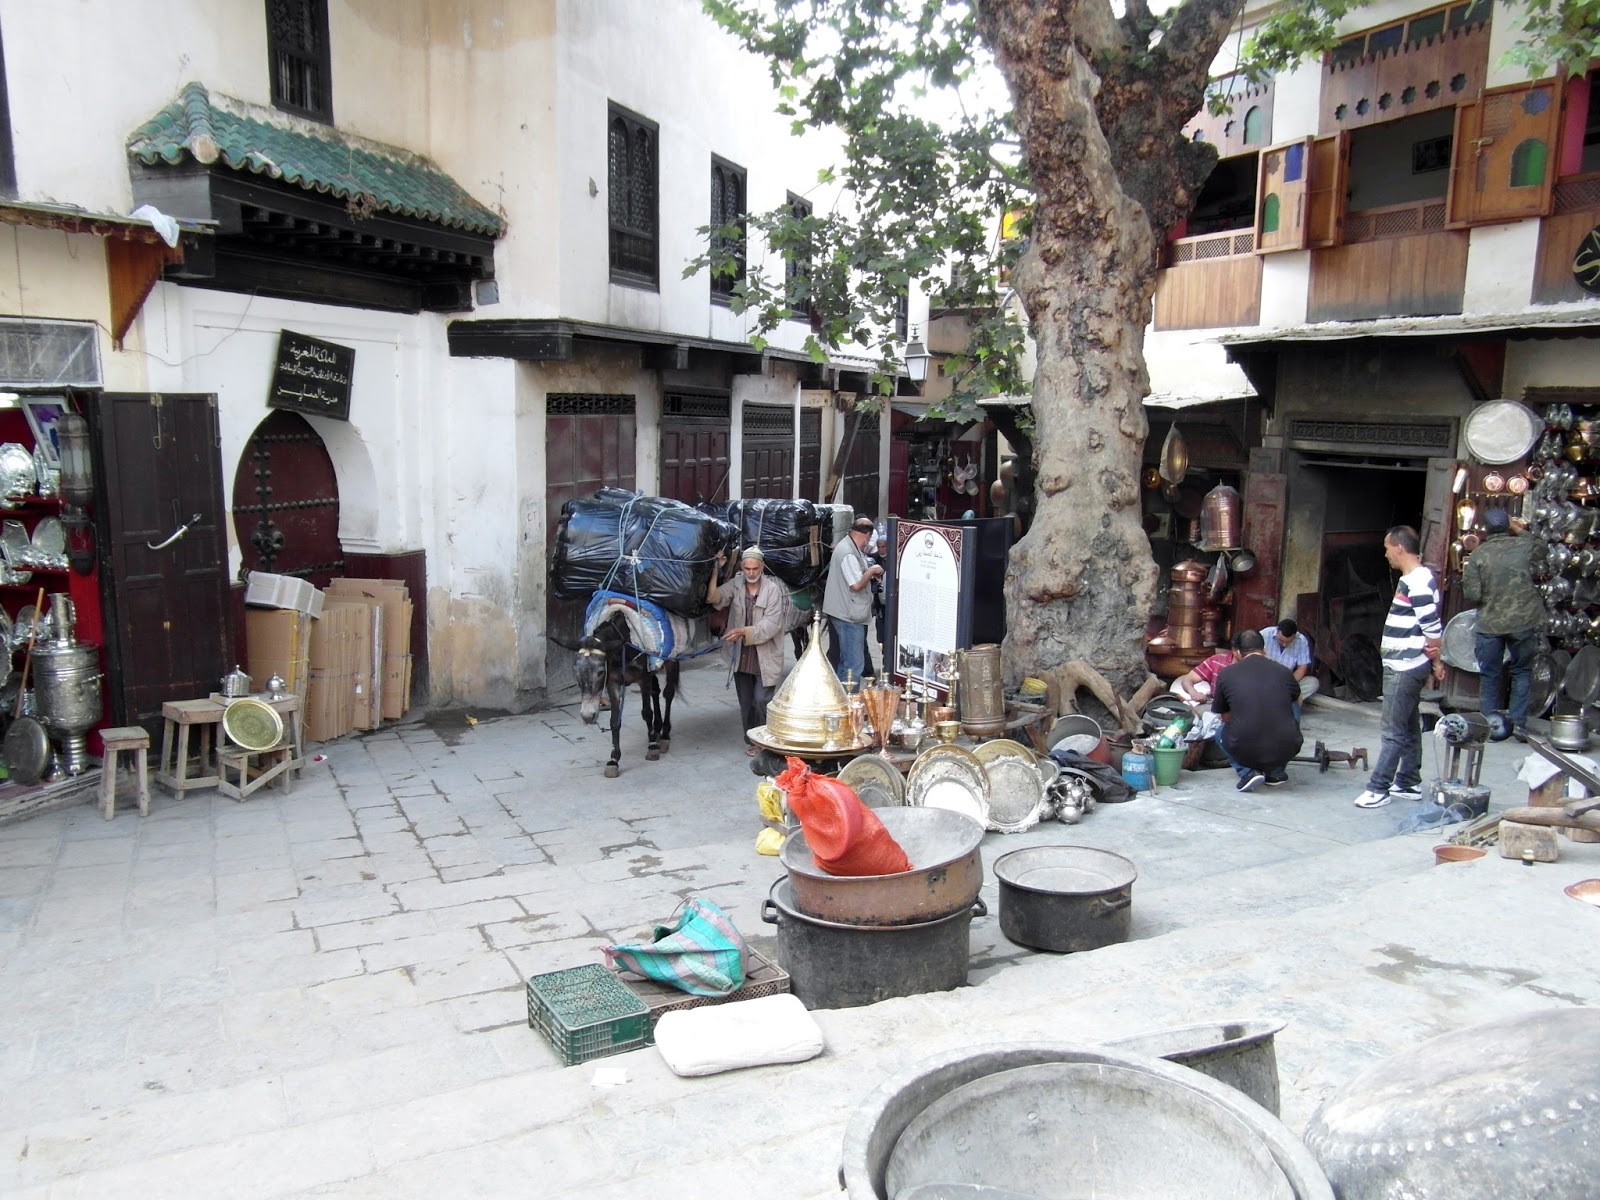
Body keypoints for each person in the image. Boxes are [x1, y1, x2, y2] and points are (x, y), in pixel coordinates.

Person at [1355, 525, 1444, 808]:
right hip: (1405, 663)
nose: (1385, 554)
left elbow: (1432, 628)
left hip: (1405, 666)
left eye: (1387, 548)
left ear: (1399, 548)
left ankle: (1378, 788)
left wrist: (1436, 659)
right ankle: (1408, 782)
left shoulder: (1418, 582)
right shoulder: (1414, 579)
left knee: (1392, 731)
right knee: (1408, 725)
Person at [1461, 507, 1543, 742]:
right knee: (1522, 671)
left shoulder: (1478, 554)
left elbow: (1473, 595)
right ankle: (1518, 726)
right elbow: (1543, 549)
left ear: (1486, 529)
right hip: (1523, 621)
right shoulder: (1524, 545)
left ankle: (1491, 727)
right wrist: (1519, 529)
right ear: (1508, 525)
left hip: (1490, 624)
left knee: (1490, 675)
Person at [707, 547, 791, 757]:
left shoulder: (772, 590)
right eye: (747, 569)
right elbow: (714, 598)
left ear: (761, 567)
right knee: (746, 703)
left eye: (755, 569)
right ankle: (754, 740)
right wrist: (715, 571)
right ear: (742, 568)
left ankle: (766, 739)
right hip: (742, 655)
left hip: (765, 655)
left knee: (762, 699)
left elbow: (771, 624)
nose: (751, 573)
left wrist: (743, 631)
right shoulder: (736, 584)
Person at [1211, 629, 1303, 792]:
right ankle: (1276, 773)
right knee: (1294, 704)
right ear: (1264, 649)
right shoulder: (1283, 671)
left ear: (1239, 653)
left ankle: (1247, 772)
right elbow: (1296, 700)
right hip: (1287, 747)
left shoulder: (1226, 674)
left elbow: (1225, 717)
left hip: (1244, 746)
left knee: (1219, 732)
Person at [822, 515, 883, 684]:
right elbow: (856, 585)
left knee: (845, 662)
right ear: (867, 535)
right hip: (848, 615)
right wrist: (871, 571)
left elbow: (854, 574)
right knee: (854, 664)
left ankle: (841, 695)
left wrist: (867, 574)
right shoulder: (848, 552)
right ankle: (848, 698)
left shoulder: (848, 546)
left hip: (843, 611)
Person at [1259, 618, 1319, 720]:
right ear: (1277, 631)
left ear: (1295, 636)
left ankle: (1281, 703)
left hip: (1286, 682)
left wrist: (1287, 683)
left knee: (1313, 683)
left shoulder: (1301, 640)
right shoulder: (1264, 635)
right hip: (1265, 680)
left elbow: (1302, 668)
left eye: (1289, 642)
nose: (1284, 644)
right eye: (1281, 640)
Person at [1170, 647, 1236, 704]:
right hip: (1217, 707)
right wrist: (1194, 693)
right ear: (1235, 650)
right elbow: (1187, 680)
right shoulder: (1216, 661)